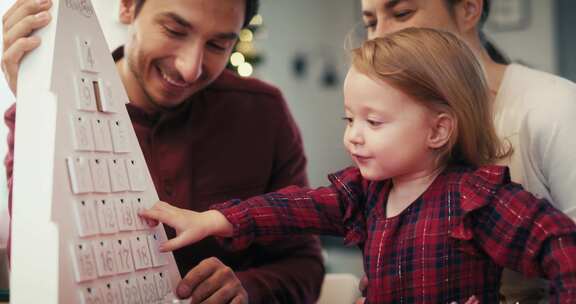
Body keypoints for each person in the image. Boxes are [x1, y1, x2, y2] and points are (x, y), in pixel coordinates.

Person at [139, 28, 576, 303]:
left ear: (438, 131)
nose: (353, 135)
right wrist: (213, 219)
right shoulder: (365, 193)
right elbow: (292, 208)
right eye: (350, 119)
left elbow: (561, 244)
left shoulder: (476, 199)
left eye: (374, 121)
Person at [2, 0, 325, 303]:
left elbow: (304, 264)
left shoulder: (262, 112)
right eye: (174, 30)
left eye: (217, 45)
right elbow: (33, 265)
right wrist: (35, 109)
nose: (189, 69)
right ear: (128, 6)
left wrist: (248, 288)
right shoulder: (54, 109)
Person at [359, 0, 576, 301]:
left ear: (468, 9)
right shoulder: (391, 125)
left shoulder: (555, 107)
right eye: (370, 23)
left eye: (401, 14)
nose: (380, 36)